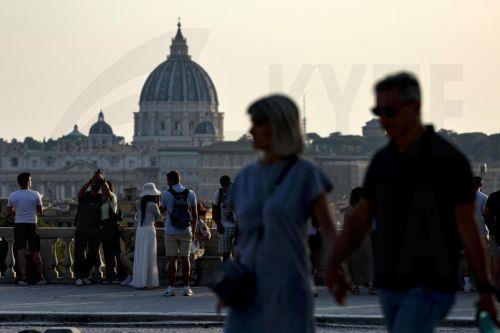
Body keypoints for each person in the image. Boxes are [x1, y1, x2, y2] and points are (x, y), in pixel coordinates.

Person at [327, 72, 496, 332]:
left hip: (432, 282)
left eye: (390, 110)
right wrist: (334, 264)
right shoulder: (382, 161)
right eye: (379, 110)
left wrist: (485, 289)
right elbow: (360, 220)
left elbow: (469, 229)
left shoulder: (448, 161)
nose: (383, 118)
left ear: (415, 107)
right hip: (390, 281)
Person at [218, 94, 339, 333]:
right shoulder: (244, 178)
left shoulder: (306, 174)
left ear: (279, 127)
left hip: (289, 288)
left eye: (258, 123)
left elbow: (329, 228)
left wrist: (338, 269)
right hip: (247, 289)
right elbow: (244, 239)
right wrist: (228, 286)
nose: (251, 129)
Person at [160, 170, 198, 297]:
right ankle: (186, 288)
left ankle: (171, 288)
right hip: (186, 230)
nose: (167, 182)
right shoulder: (190, 193)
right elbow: (195, 214)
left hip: (171, 231)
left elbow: (162, 211)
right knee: (185, 258)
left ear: (170, 180)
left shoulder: (166, 194)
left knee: (172, 259)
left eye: (167, 180)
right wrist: (192, 228)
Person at [6, 172, 46, 286]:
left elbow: (9, 211)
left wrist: (17, 213)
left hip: (19, 224)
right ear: (28, 182)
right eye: (30, 180)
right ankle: (40, 277)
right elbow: (40, 211)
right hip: (32, 224)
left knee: (20, 252)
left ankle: (23, 278)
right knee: (35, 252)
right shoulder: (36, 194)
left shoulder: (13, 195)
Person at [74, 171, 105, 286]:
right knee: (79, 254)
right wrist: (91, 180)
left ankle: (85, 274)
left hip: (95, 230)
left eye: (98, 184)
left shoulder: (101, 197)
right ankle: (79, 276)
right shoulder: (85, 196)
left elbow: (108, 193)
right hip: (81, 229)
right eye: (95, 184)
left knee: (92, 254)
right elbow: (81, 191)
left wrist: (103, 181)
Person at [129, 183, 161, 289]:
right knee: (149, 255)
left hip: (140, 231)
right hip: (149, 230)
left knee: (140, 255)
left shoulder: (137, 203)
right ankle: (149, 281)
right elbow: (160, 218)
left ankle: (140, 280)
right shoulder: (153, 205)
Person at [345, 187, 376, 295]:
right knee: (368, 261)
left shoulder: (349, 209)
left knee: (355, 262)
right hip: (365, 238)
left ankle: (356, 286)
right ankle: (371, 286)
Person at [100, 180, 121, 284]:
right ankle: (110, 276)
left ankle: (120, 276)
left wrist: (102, 180)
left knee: (116, 253)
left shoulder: (112, 197)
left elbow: (107, 190)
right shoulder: (103, 199)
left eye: (103, 188)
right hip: (104, 228)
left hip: (112, 228)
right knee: (107, 254)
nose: (102, 190)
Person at [212, 175, 237, 261]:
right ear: (222, 185)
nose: (226, 188)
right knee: (226, 254)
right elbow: (214, 210)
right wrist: (218, 224)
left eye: (228, 185)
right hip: (225, 227)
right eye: (224, 186)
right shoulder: (218, 194)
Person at [484, 188, 500, 299]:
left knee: (495, 259)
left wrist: (490, 225)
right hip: (495, 232)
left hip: (495, 232)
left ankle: (495, 286)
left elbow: (485, 212)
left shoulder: (494, 196)